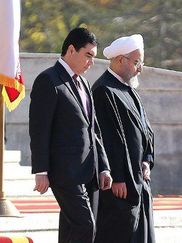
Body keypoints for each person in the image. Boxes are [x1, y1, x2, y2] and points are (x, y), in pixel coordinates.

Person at [29, 27, 113, 243]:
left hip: (89, 172)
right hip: (65, 173)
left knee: (71, 231)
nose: (91, 63)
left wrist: (103, 166)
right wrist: (41, 170)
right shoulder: (48, 80)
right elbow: (39, 129)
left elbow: (94, 129)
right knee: (85, 227)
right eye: (88, 55)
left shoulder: (84, 83)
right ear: (71, 50)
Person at [92, 34, 155, 243]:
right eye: (136, 62)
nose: (140, 69)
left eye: (141, 63)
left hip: (138, 180)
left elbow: (146, 130)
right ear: (120, 60)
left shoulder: (130, 90)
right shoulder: (104, 90)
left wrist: (147, 159)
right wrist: (118, 176)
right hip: (121, 185)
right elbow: (107, 138)